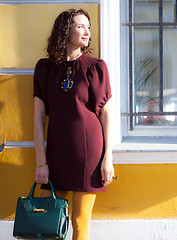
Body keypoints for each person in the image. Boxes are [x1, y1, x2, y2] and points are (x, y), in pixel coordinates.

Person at [33, 8, 115, 240]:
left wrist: (108, 158)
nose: (87, 31)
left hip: (88, 153)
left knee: (80, 222)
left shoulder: (95, 67)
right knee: (48, 221)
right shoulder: (45, 69)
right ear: (65, 29)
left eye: (88, 27)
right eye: (81, 26)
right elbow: (38, 117)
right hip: (57, 153)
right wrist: (41, 163)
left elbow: (105, 114)